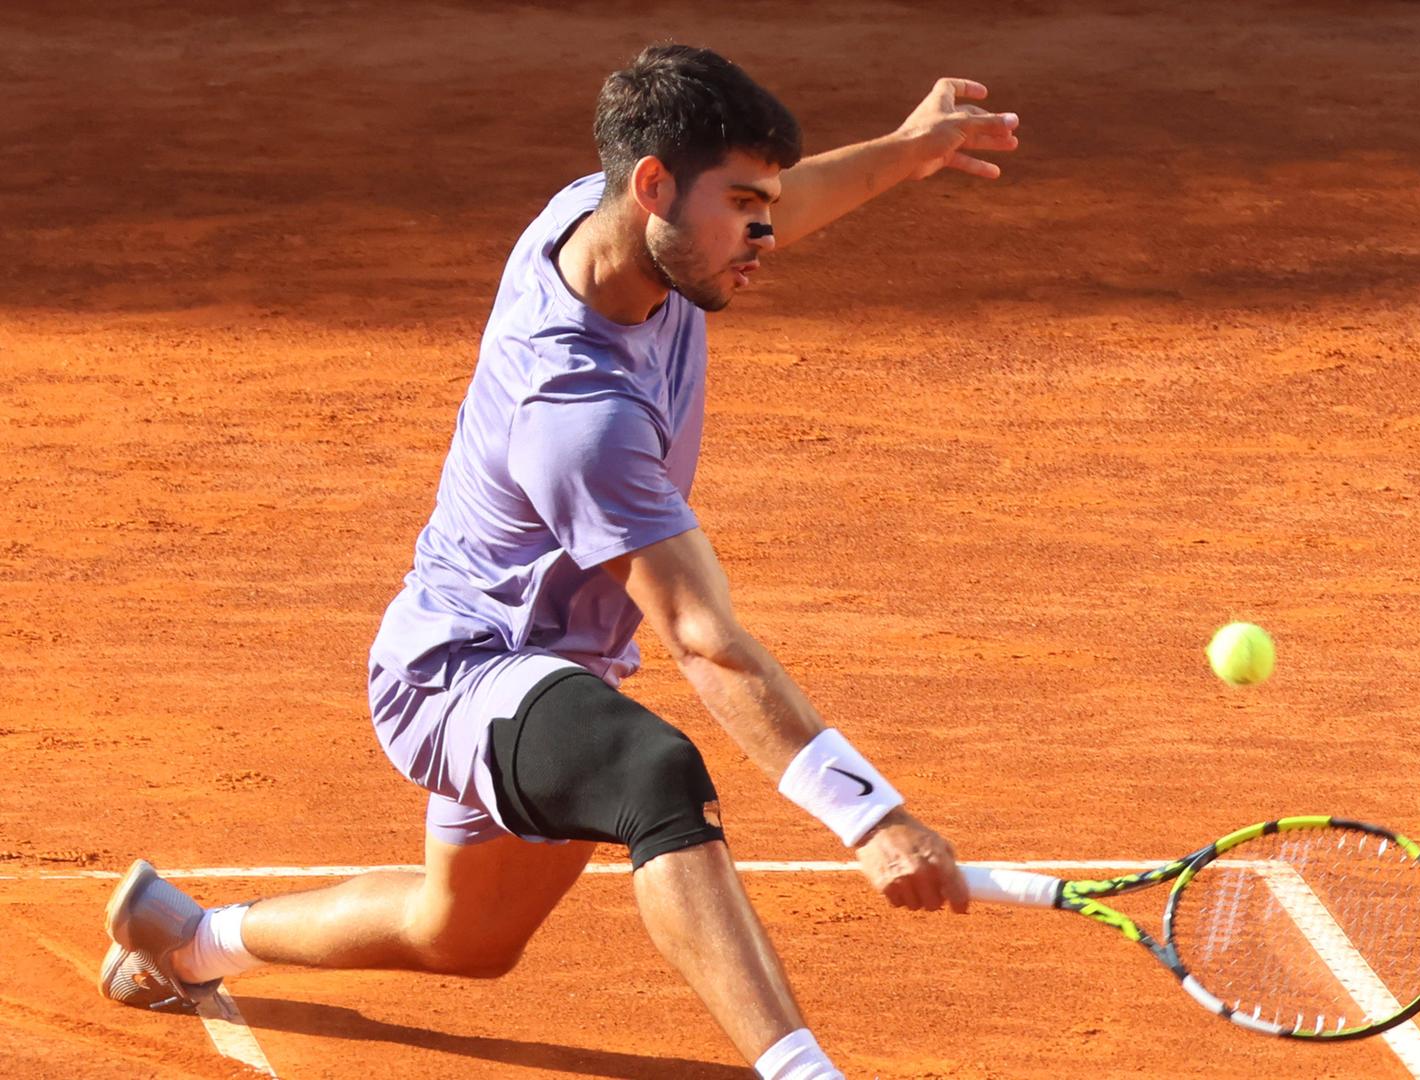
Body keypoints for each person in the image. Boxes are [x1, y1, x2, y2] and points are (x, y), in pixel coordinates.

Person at [99, 43, 1020, 1080]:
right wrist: (872, 818)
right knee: (653, 775)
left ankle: (187, 939)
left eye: (764, 202)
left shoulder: (610, 219)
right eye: (744, 205)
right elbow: (703, 641)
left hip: (557, 666)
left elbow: (776, 204)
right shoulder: (576, 411)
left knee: (467, 939)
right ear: (654, 186)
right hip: (461, 668)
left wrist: (908, 148)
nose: (765, 231)